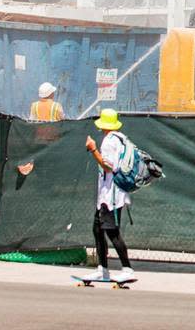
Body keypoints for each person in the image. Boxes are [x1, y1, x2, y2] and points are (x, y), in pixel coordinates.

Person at [80, 108, 134, 283]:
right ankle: (102, 269)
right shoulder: (121, 138)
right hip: (110, 193)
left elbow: (108, 166)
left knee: (112, 232)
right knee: (97, 229)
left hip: (110, 196)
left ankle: (127, 269)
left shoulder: (109, 142)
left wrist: (93, 149)